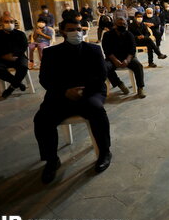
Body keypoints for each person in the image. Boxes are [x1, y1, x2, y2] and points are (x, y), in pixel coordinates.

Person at [34, 18, 112, 183]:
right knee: (42, 118)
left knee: (96, 109)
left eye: (78, 29)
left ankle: (104, 152)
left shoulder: (94, 49)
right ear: (62, 31)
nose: (76, 32)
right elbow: (45, 79)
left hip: (90, 92)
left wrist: (83, 91)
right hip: (61, 95)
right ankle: (51, 160)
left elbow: (101, 75)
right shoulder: (51, 53)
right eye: (71, 29)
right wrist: (64, 91)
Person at [102, 18, 146, 98]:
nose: (123, 26)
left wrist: (127, 60)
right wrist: (115, 60)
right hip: (112, 58)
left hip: (128, 57)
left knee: (138, 65)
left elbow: (132, 50)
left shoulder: (129, 34)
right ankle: (119, 83)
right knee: (104, 67)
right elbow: (107, 51)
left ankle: (140, 88)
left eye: (124, 24)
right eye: (120, 24)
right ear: (115, 25)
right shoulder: (107, 35)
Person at [0, 15, 29, 98]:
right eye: (6, 22)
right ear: (1, 23)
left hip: (18, 57)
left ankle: (11, 88)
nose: (9, 24)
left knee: (24, 66)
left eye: (11, 22)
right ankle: (18, 84)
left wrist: (15, 55)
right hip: (2, 58)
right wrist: (3, 56)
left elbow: (24, 46)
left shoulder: (20, 34)